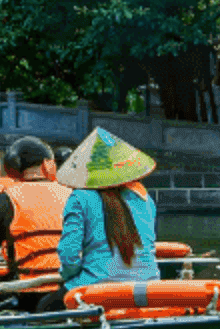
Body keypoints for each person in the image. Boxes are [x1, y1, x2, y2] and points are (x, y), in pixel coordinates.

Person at [45, 128, 158, 308]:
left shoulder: (80, 197)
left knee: (44, 307)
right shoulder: (145, 198)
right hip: (148, 285)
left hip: (95, 287)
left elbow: (69, 254)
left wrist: (69, 277)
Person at [0, 136, 66, 308]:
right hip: (72, 289)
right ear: (47, 165)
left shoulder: (1, 201)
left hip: (28, 293)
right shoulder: (72, 194)